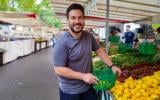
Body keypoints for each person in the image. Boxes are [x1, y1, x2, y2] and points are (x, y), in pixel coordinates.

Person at [53, 3, 121, 100]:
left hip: (88, 87)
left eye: (80, 17)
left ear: (84, 19)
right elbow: (58, 69)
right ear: (68, 20)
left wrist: (112, 65)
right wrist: (83, 76)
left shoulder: (88, 36)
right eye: (73, 18)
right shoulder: (62, 43)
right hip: (70, 92)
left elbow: (99, 51)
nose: (77, 21)